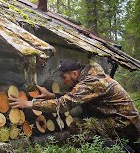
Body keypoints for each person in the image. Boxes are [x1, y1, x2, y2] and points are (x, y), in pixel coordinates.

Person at [9, 59, 140, 145]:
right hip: (124, 121)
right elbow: (77, 97)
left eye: (64, 77)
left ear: (75, 74)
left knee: (80, 129)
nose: (64, 81)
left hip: (126, 124)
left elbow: (63, 105)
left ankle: (121, 150)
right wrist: (52, 95)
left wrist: (28, 104)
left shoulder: (91, 82)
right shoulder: (92, 77)